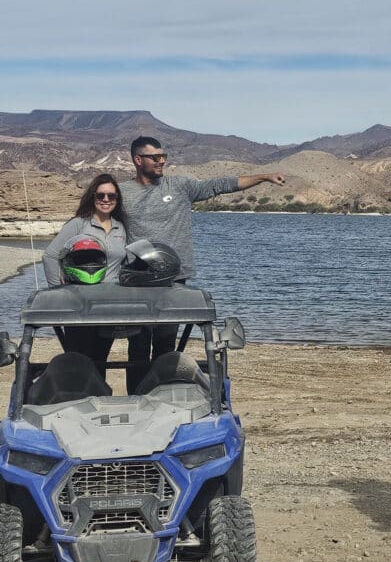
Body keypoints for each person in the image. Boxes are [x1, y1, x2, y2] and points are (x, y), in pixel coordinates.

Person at [119, 136, 286, 387]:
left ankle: (162, 396)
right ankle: (136, 396)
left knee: (166, 342)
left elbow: (220, 185)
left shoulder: (179, 185)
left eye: (164, 156)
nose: (161, 161)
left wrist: (261, 177)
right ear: (138, 159)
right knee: (138, 343)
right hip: (137, 279)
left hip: (174, 278)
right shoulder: (121, 192)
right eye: (155, 157)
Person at [42, 173, 127, 371]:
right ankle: (78, 398)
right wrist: (59, 293)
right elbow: (50, 256)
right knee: (78, 360)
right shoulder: (79, 224)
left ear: (117, 199)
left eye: (111, 196)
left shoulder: (121, 227)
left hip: (109, 305)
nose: (106, 200)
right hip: (79, 304)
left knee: (100, 360)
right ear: (93, 197)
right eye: (101, 195)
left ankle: (99, 398)